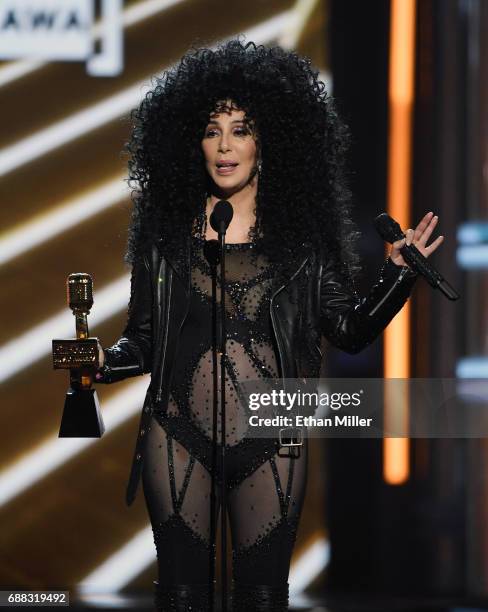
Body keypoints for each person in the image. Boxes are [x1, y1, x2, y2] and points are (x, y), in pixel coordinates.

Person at [94, 39, 444, 611]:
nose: (226, 146)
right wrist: (101, 363)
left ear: (270, 139)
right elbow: (145, 339)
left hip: (274, 438)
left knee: (262, 597)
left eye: (242, 128)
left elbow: (349, 330)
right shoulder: (165, 238)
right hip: (175, 435)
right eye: (212, 130)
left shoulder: (303, 243)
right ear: (192, 140)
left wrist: (397, 276)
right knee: (180, 598)